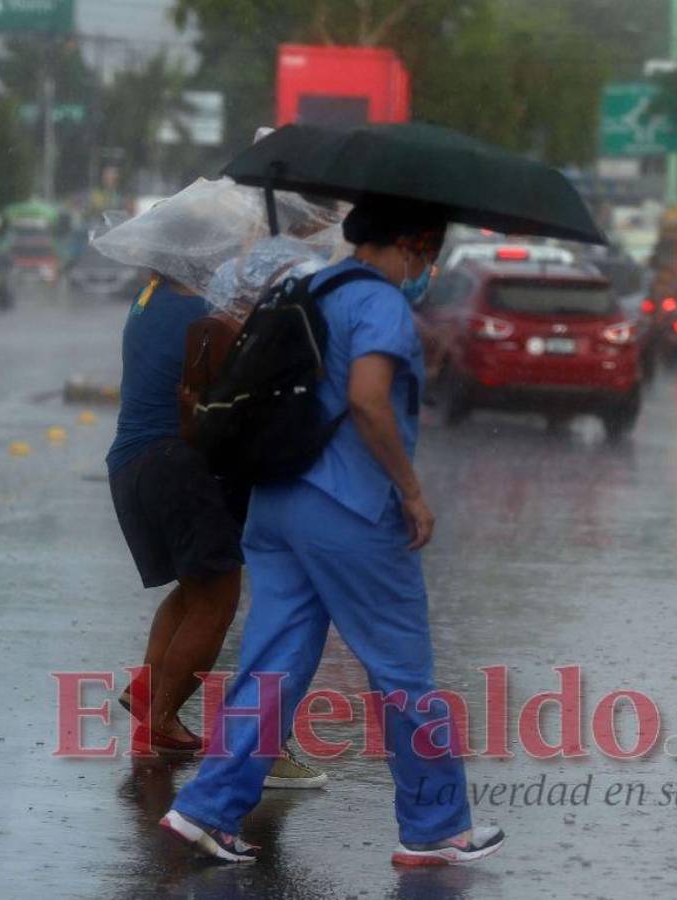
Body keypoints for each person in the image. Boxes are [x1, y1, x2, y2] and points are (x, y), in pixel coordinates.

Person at [161, 198, 506, 865]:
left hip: (276, 502)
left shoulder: (305, 286)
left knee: (272, 662)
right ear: (411, 245)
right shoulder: (379, 303)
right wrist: (411, 491)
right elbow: (368, 399)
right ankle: (435, 826)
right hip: (349, 508)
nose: (426, 270)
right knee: (402, 670)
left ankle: (206, 808)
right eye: (428, 256)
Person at [106, 265, 325, 788]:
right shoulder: (204, 315)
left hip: (132, 463)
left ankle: (149, 697)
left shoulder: (147, 298)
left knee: (193, 590)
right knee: (215, 601)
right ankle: (161, 718)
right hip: (176, 465)